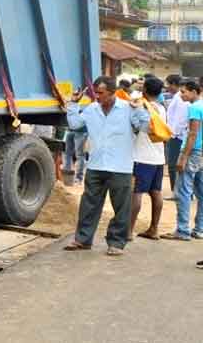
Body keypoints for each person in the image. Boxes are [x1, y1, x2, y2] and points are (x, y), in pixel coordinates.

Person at [63, 76, 149, 256]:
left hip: (121, 167)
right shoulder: (91, 109)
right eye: (95, 92)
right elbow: (74, 124)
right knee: (89, 205)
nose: (97, 96)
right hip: (95, 165)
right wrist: (73, 104)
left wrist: (139, 108)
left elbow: (145, 127)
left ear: (112, 92)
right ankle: (82, 239)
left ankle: (116, 242)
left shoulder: (128, 108)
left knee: (121, 207)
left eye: (100, 93)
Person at [162, 81, 203, 241]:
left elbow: (192, 133)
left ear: (194, 92)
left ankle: (183, 230)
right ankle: (199, 228)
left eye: (184, 92)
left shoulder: (194, 108)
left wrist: (183, 156)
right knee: (200, 192)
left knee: (183, 191)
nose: (181, 94)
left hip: (192, 152)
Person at [129, 77, 167, 240]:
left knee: (136, 193)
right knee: (156, 192)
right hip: (158, 157)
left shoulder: (142, 106)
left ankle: (128, 231)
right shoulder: (161, 108)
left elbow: (135, 124)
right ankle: (154, 228)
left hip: (142, 156)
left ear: (144, 90)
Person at [165, 74, 190, 196]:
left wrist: (173, 133)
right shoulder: (177, 96)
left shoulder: (180, 97)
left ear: (174, 84)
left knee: (173, 165)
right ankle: (182, 191)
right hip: (176, 134)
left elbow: (181, 118)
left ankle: (177, 192)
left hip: (177, 136)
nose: (167, 87)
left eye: (168, 84)